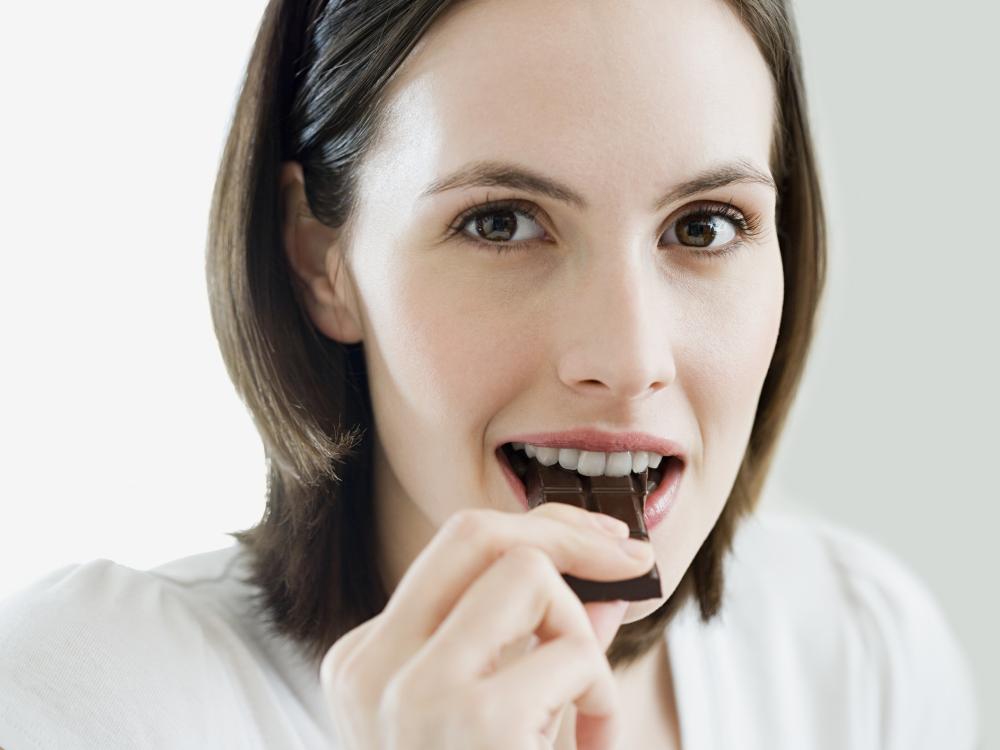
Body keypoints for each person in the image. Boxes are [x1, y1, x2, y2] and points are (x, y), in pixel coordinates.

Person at [0, 0, 981, 747]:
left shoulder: (860, 651)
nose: (629, 360)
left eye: (703, 227)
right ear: (318, 258)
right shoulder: (86, 697)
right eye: (501, 222)